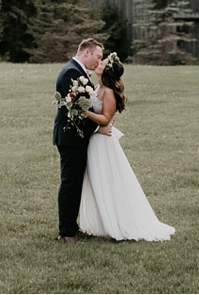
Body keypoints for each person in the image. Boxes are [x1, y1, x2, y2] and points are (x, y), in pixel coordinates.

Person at [78, 53, 175, 241]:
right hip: (95, 141)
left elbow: (106, 119)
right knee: (97, 181)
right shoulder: (97, 87)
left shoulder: (109, 92)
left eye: (102, 62)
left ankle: (119, 222)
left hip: (103, 144)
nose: (98, 62)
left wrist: (84, 112)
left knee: (108, 180)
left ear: (106, 70)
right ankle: (102, 222)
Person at [54, 38, 111, 243]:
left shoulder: (78, 71)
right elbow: (78, 109)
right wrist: (98, 127)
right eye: (98, 56)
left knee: (75, 182)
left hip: (75, 136)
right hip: (70, 136)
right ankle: (66, 232)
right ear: (86, 53)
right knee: (70, 183)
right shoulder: (72, 72)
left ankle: (71, 227)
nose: (99, 61)